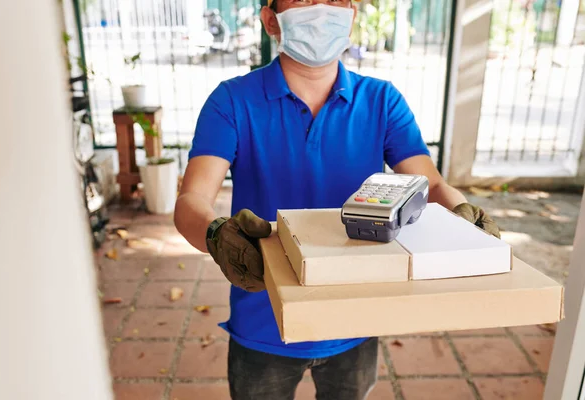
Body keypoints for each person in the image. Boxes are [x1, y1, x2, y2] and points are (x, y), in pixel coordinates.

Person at [174, 1, 500, 399]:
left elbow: (428, 184)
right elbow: (192, 199)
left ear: (352, 14)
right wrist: (215, 235)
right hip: (264, 318)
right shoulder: (231, 102)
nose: (320, 8)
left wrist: (460, 213)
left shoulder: (382, 101)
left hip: (355, 317)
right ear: (270, 19)